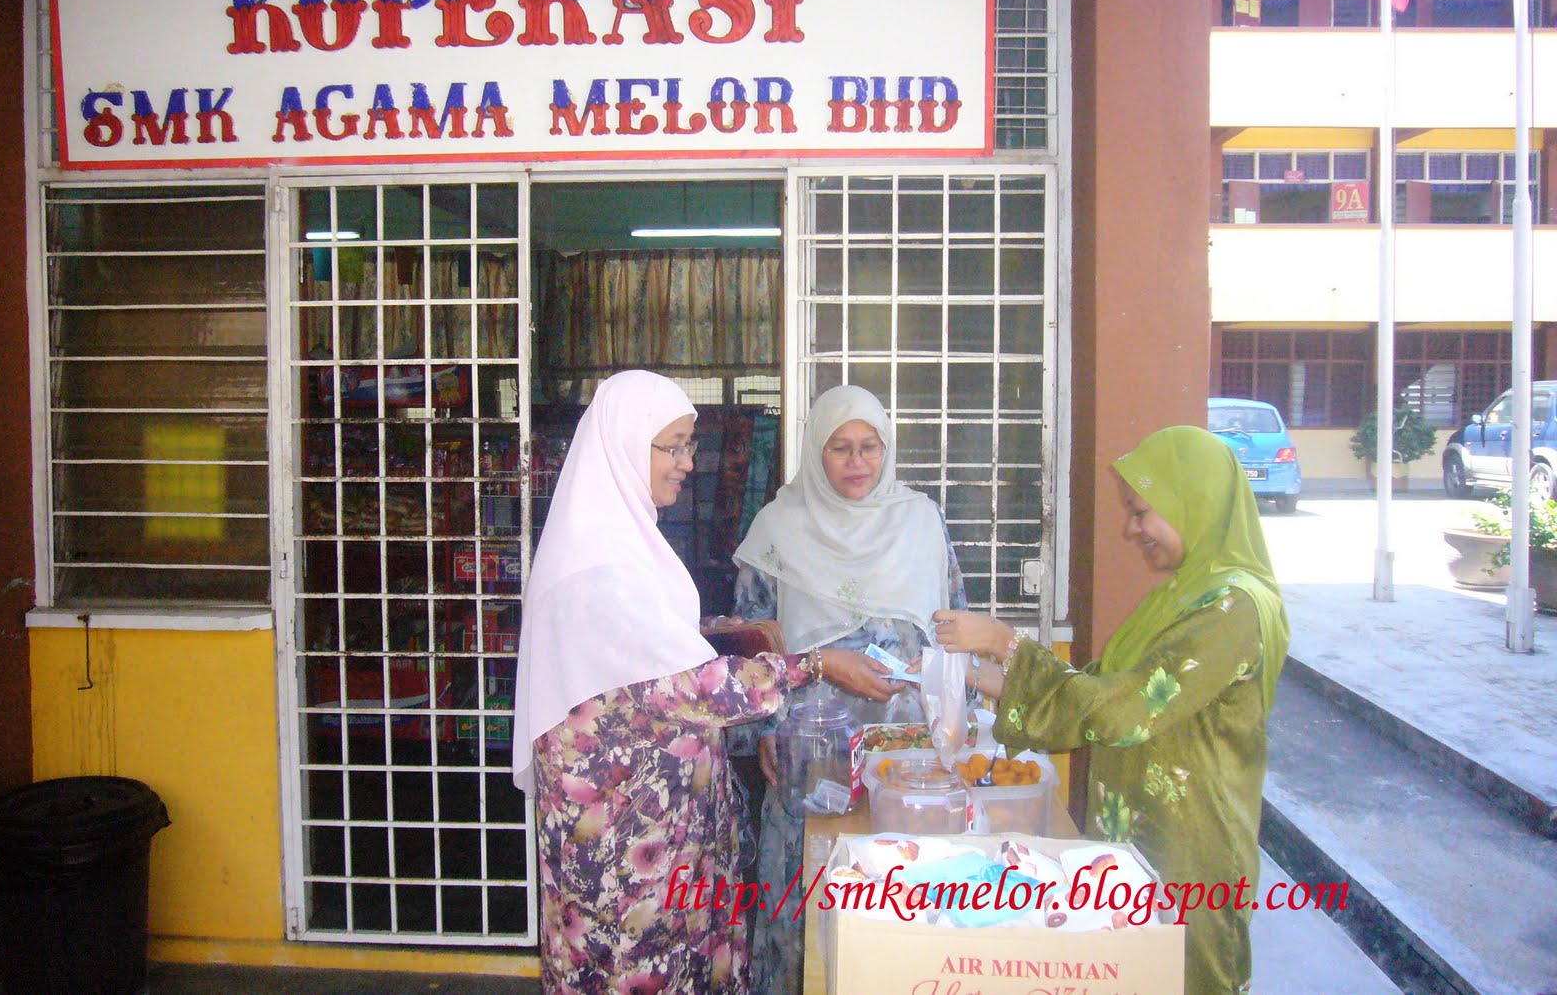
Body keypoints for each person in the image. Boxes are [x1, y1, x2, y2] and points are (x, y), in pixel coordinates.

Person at [513, 370, 849, 994]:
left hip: (665, 836)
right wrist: (815, 665)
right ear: (622, 443)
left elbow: (644, 655)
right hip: (624, 854)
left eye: (688, 444)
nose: (687, 463)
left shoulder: (621, 545)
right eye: (670, 446)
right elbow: (688, 688)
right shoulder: (599, 567)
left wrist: (719, 630)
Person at [932, 425, 1290, 995]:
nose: (1131, 529)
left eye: (1142, 511)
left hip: (1189, 854)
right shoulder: (1178, 597)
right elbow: (1092, 686)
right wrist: (970, 677)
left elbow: (1122, 713)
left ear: (1191, 500)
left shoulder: (1234, 606)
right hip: (1136, 841)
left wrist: (1007, 642)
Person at [730, 384, 966, 995]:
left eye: (869, 447)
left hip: (906, 749)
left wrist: (957, 719)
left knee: (898, 892)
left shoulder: (920, 520)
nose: (858, 462)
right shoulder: (778, 526)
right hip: (810, 750)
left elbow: (954, 624)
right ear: (816, 451)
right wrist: (763, 730)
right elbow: (752, 638)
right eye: (840, 448)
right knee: (804, 891)